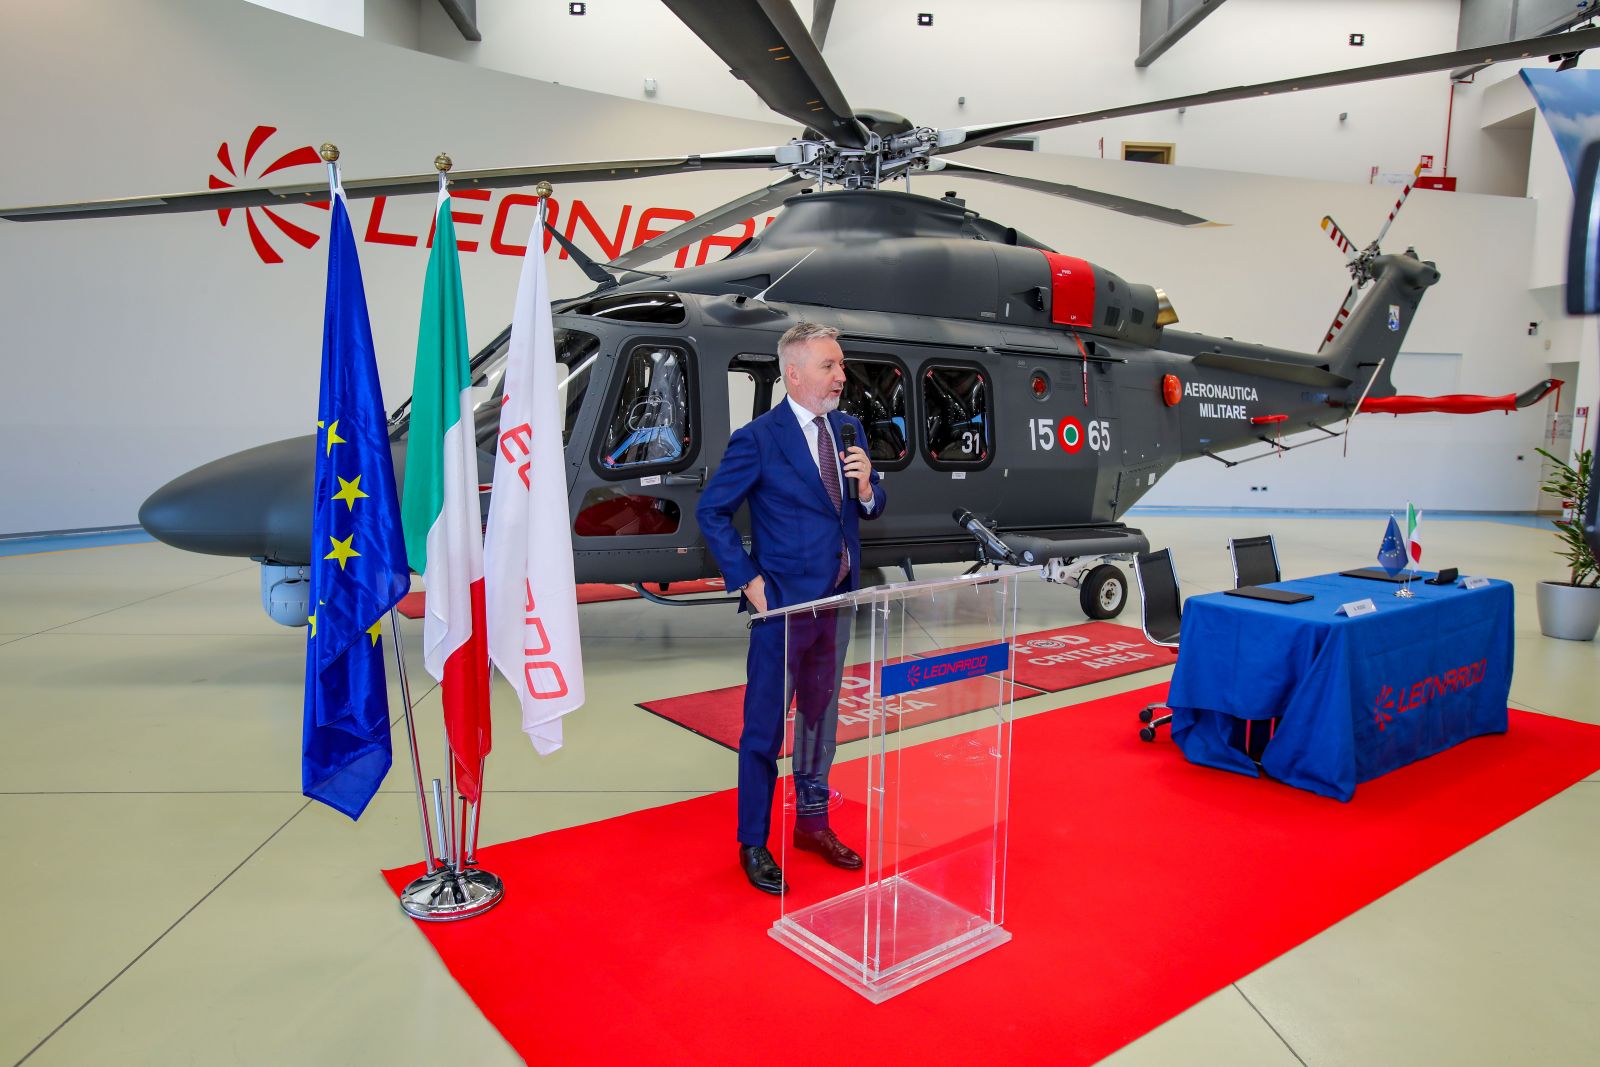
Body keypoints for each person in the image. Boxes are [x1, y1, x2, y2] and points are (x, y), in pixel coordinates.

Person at [697, 321, 888, 894]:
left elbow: (870, 506)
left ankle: (812, 823)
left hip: (837, 603)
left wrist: (866, 490)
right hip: (781, 609)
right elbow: (712, 512)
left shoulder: (849, 428)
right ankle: (753, 841)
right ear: (794, 374)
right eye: (829, 366)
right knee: (763, 730)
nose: (840, 375)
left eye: (841, 364)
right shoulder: (757, 438)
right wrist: (750, 582)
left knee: (819, 724)